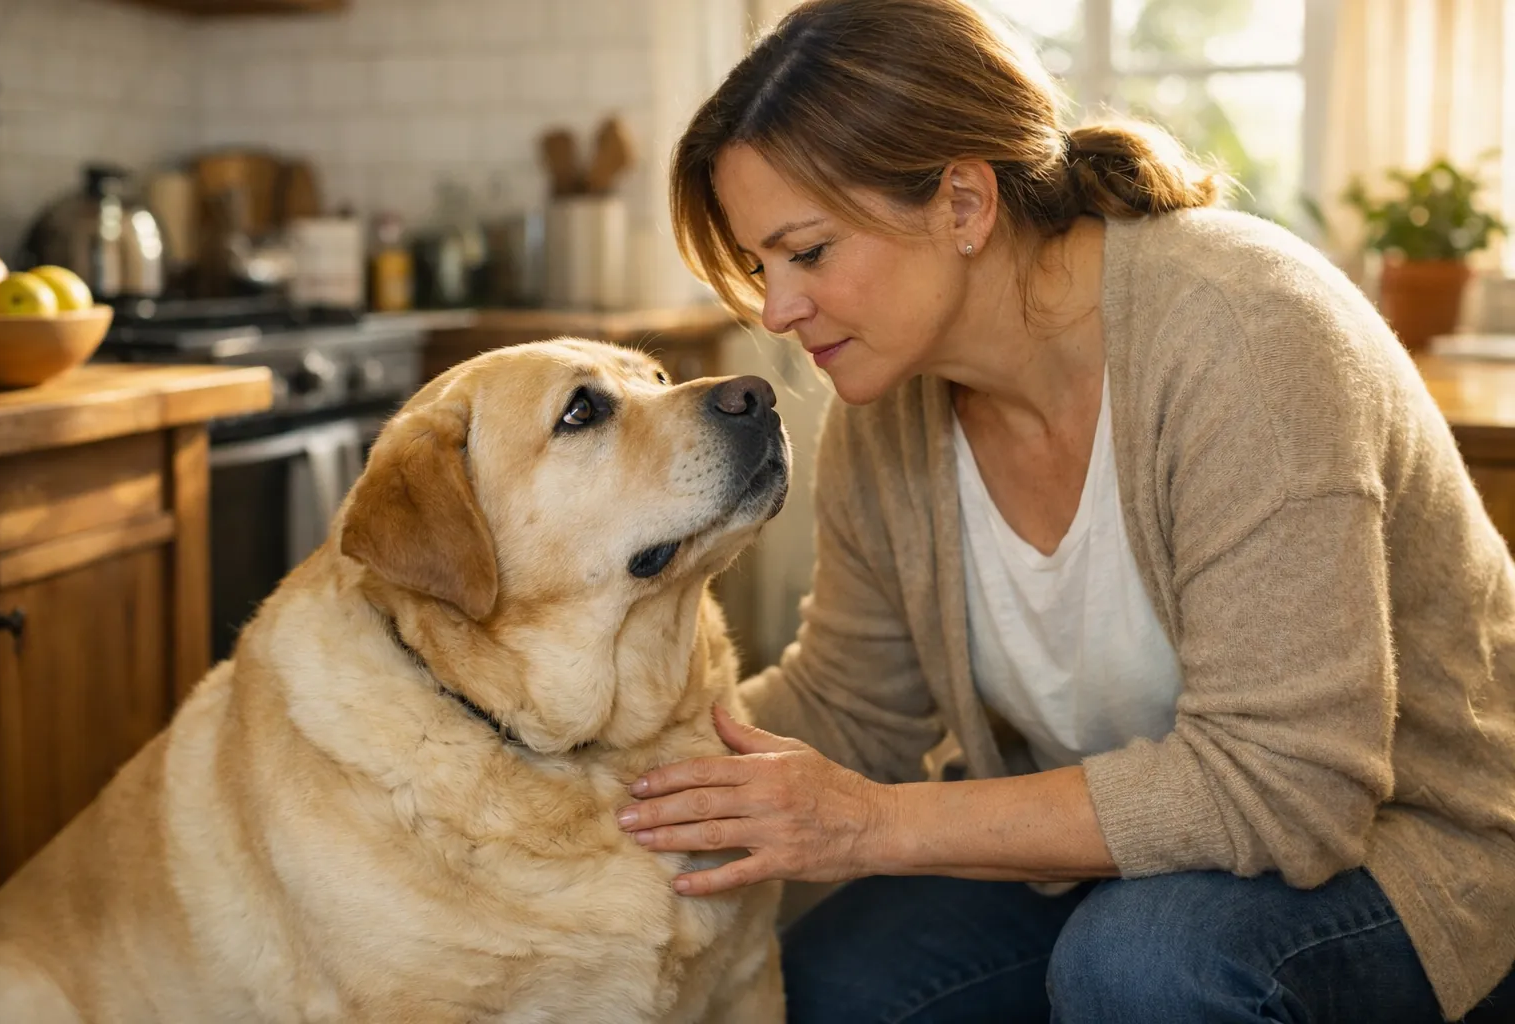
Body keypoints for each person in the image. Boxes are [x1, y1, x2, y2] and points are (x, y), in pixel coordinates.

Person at [612, 0, 1515, 1020]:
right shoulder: (888, 415)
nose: (777, 309)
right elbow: (851, 708)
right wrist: (607, 773)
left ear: (962, 203)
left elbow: (1290, 788)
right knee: (824, 985)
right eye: (761, 267)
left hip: (1418, 843)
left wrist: (873, 825)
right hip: (1108, 850)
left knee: (1139, 961)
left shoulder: (1242, 334)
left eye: (808, 253)